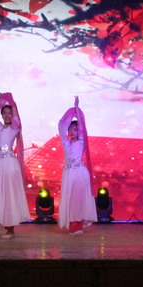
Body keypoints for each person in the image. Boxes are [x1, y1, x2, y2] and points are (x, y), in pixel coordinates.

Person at [0, 92, 28, 240]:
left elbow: (15, 118)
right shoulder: (0, 128)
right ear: (1, 115)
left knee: (8, 196)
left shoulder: (15, 127)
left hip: (8, 164)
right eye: (5, 113)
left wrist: (11, 102)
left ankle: (10, 230)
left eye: (10, 113)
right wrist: (1, 101)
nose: (7, 115)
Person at [57, 96, 97, 235]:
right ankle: (73, 225)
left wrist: (77, 110)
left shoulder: (81, 142)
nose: (72, 131)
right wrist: (70, 113)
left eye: (75, 129)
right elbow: (61, 126)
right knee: (70, 199)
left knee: (77, 199)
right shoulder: (66, 143)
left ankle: (77, 226)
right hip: (68, 173)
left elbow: (82, 126)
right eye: (70, 129)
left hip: (80, 172)